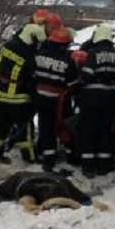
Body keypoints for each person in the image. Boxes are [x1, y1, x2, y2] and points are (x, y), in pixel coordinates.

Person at [0, 23, 46, 163]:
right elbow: (32, 81)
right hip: (17, 98)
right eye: (37, 42)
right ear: (32, 38)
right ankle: (30, 157)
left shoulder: (8, 45)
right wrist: (36, 100)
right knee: (25, 128)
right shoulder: (28, 56)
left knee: (1, 125)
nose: (37, 45)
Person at [77, 24, 115, 178]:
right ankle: (104, 166)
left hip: (91, 99)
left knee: (89, 132)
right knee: (105, 131)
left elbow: (86, 76)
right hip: (111, 99)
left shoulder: (93, 53)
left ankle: (88, 167)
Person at [34, 26, 78, 172]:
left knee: (45, 128)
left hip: (40, 98)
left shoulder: (39, 54)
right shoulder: (67, 59)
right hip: (59, 100)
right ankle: (72, 156)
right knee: (65, 126)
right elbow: (72, 83)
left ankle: (48, 160)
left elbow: (33, 75)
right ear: (64, 44)